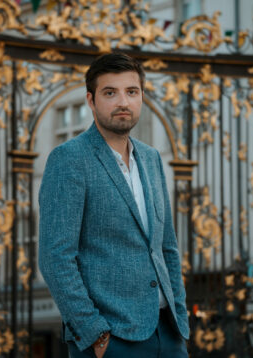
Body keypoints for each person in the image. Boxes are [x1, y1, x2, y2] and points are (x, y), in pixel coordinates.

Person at [38, 53, 189, 358]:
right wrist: (94, 332)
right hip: (111, 339)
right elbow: (55, 257)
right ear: (91, 101)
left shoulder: (151, 158)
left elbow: (166, 247)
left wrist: (180, 317)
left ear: (141, 97)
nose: (123, 101)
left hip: (168, 334)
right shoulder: (69, 159)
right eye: (110, 92)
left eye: (131, 92)